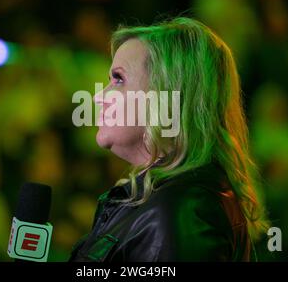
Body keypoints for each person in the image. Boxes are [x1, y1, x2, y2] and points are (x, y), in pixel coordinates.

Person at [68, 17, 268, 262]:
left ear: (166, 95)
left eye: (119, 79)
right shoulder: (162, 200)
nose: (100, 96)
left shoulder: (184, 209)